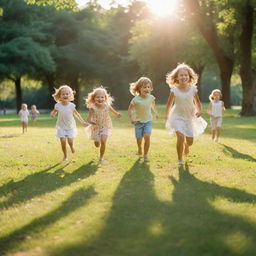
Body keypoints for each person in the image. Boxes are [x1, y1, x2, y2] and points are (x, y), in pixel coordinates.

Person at [165, 63, 207, 165]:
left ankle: (186, 146)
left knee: (190, 141)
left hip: (189, 117)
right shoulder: (174, 90)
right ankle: (180, 159)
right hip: (177, 116)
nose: (183, 77)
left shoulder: (193, 89)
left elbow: (198, 103)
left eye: (185, 75)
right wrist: (167, 117)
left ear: (189, 77)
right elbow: (169, 105)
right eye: (181, 75)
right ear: (177, 78)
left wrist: (199, 111)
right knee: (180, 136)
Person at [50, 85, 88, 161]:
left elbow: (77, 114)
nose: (65, 95)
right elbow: (54, 111)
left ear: (70, 95)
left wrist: (82, 122)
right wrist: (52, 114)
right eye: (63, 94)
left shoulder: (71, 106)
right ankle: (65, 155)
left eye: (67, 94)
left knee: (70, 141)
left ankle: (71, 146)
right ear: (59, 96)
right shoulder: (57, 105)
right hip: (61, 127)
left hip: (70, 127)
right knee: (63, 141)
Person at [85, 87, 121, 163]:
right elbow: (88, 119)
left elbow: (114, 112)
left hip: (106, 125)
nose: (100, 99)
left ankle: (101, 157)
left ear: (105, 98)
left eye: (102, 97)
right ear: (94, 98)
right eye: (98, 97)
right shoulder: (92, 108)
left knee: (103, 141)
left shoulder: (107, 106)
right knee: (97, 143)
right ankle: (96, 141)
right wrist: (93, 123)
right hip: (96, 126)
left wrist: (117, 114)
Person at [128, 77, 158, 162]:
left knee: (147, 136)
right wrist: (132, 117)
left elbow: (153, 105)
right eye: (144, 87)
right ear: (139, 88)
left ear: (151, 88)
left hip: (148, 121)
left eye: (148, 87)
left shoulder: (151, 97)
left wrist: (155, 113)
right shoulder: (135, 99)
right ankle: (139, 148)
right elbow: (130, 109)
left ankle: (145, 155)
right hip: (138, 122)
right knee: (139, 138)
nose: (147, 89)